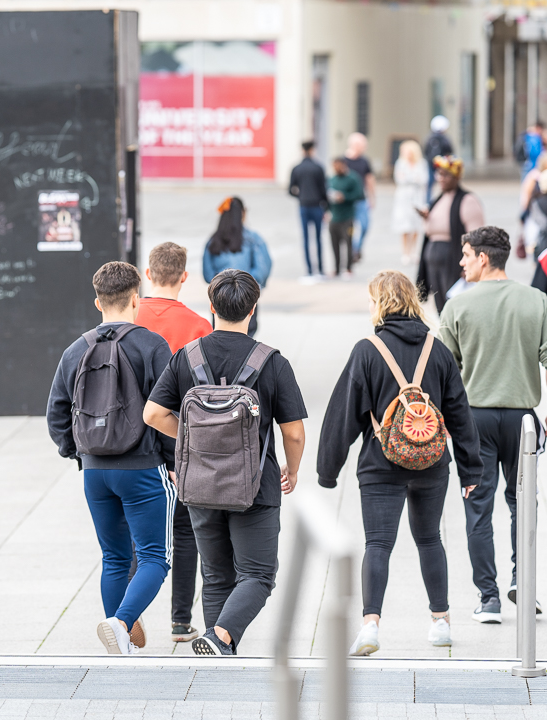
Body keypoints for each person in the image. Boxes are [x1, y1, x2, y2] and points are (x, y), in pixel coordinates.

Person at [317, 270, 482, 655]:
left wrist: (328, 471)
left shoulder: (367, 350)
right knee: (429, 539)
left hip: (380, 465)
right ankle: (440, 622)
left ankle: (371, 627)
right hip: (431, 463)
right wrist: (471, 468)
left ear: (380, 304)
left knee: (378, 543)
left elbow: (344, 415)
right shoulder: (436, 349)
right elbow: (459, 412)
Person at [144, 269, 307, 656]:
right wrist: (293, 468)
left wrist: (196, 440)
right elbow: (294, 432)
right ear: (253, 308)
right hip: (255, 485)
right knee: (259, 574)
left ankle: (219, 651)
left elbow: (152, 414)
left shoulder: (187, 357)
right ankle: (220, 639)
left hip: (199, 482)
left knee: (216, 574)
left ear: (212, 306)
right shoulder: (272, 362)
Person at [439, 226, 547, 624]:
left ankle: (488, 597)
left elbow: (443, 370)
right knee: (522, 503)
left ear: (482, 258)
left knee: (478, 506)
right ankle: (523, 586)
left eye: (465, 255)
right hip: (522, 420)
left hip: (473, 420)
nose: (461, 262)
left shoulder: (458, 306)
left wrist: (445, 419)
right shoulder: (536, 300)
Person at [47, 261, 175, 655]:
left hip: (95, 472)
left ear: (98, 301)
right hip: (142, 468)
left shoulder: (75, 350)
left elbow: (56, 414)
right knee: (155, 556)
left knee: (114, 556)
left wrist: (79, 453)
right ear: (136, 298)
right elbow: (166, 408)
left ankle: (123, 644)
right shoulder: (152, 345)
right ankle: (120, 623)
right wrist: (170, 459)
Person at [133, 242, 210, 643]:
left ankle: (130, 611)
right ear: (184, 277)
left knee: (135, 532)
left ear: (147, 275)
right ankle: (181, 621)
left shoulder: (130, 315)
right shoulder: (200, 326)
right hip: (179, 442)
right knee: (186, 532)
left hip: (129, 444)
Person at [416, 156, 485, 314]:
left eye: (446, 175)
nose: (441, 179)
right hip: (433, 256)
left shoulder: (467, 200)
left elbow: (476, 236)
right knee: (440, 304)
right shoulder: (438, 199)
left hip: (453, 257)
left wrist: (470, 262)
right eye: (439, 174)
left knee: (454, 303)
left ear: (456, 177)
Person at [202, 197, 271, 337]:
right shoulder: (253, 239)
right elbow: (262, 269)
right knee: (247, 337)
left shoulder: (213, 241)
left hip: (220, 297)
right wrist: (248, 285)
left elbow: (208, 274)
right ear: (243, 213)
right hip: (246, 297)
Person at [288, 141, 328, 281]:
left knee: (305, 238)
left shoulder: (297, 168)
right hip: (317, 206)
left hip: (303, 206)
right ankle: (321, 270)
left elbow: (290, 189)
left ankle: (309, 270)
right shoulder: (318, 167)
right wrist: (327, 206)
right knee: (318, 238)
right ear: (312, 150)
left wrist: (301, 196)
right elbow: (324, 189)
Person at [327, 157, 365, 279]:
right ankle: (337, 268)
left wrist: (344, 197)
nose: (336, 169)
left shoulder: (353, 178)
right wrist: (326, 211)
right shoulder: (332, 179)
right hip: (334, 217)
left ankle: (348, 268)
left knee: (348, 243)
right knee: (334, 244)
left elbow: (359, 194)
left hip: (348, 218)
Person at [391, 140, 428, 264]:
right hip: (403, 198)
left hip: (417, 197)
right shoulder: (400, 163)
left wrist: (411, 179)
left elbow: (423, 179)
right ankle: (405, 252)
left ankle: (413, 251)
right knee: (404, 226)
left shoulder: (421, 163)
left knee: (416, 225)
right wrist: (413, 179)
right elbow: (400, 179)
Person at [344, 132, 376, 262]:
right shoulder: (343, 161)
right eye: (363, 145)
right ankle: (351, 251)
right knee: (349, 228)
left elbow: (369, 179)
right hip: (347, 201)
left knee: (365, 225)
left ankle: (356, 248)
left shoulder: (364, 161)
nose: (364, 148)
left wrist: (372, 197)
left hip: (361, 200)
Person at [424, 115, 454, 203]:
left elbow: (425, 150)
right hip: (442, 166)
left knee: (430, 184)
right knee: (444, 182)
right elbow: (450, 151)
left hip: (431, 164)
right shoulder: (445, 139)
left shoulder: (429, 138)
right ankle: (443, 200)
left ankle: (428, 201)